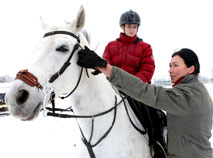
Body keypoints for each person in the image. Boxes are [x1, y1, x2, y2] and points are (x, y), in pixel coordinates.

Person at [77, 47, 213, 158]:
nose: (170, 70)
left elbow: (147, 92)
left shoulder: (188, 95)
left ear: (191, 69)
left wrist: (106, 68)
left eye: (175, 65)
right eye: (170, 65)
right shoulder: (196, 90)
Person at [101, 10, 167, 157]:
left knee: (153, 112)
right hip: (114, 88)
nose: (131, 29)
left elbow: (148, 69)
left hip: (139, 90)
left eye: (134, 26)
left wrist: (133, 85)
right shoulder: (111, 46)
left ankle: (158, 144)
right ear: (122, 27)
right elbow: (105, 66)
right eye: (129, 26)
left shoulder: (145, 47)